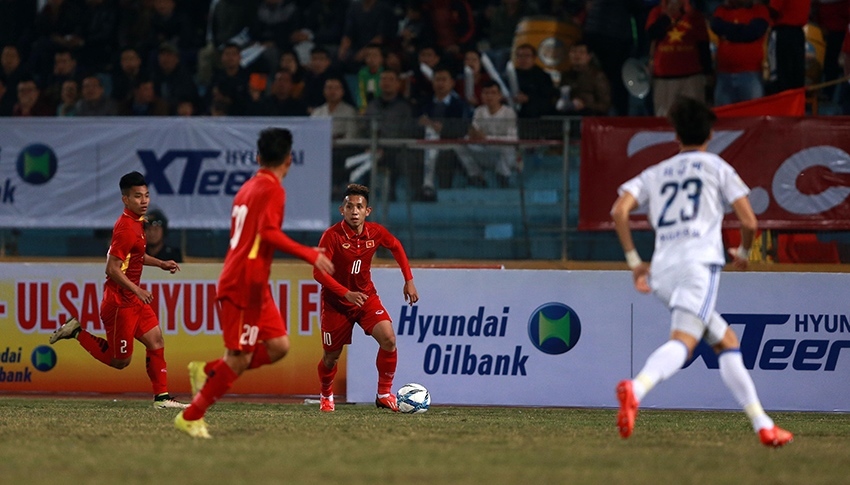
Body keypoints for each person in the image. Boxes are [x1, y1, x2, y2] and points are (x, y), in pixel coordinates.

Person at [610, 97, 793, 448]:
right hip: (698, 266)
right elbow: (749, 221)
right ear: (710, 133)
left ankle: (763, 425)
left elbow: (619, 211)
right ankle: (637, 387)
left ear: (675, 134)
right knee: (684, 344)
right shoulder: (716, 167)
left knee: (726, 342)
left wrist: (635, 263)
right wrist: (741, 251)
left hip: (663, 268)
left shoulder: (656, 172)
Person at [175, 128, 335, 438]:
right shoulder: (274, 190)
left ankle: (207, 370)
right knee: (240, 357)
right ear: (289, 160)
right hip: (244, 283)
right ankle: (191, 416)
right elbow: (267, 233)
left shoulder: (247, 187)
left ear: (258, 157)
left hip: (255, 282)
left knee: (278, 346)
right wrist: (309, 254)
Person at [49, 171, 186, 410]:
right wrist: (138, 289)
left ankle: (162, 399)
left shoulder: (137, 223)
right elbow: (111, 269)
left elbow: (136, 255)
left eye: (146, 195)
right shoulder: (125, 228)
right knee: (120, 361)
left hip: (132, 299)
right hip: (119, 303)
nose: (144, 201)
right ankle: (76, 331)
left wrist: (161, 263)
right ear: (125, 199)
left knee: (156, 340)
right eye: (137, 196)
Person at [313, 183, 419, 412]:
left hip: (365, 298)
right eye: (349, 206)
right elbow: (318, 273)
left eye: (359, 207)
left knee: (389, 339)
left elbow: (396, 246)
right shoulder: (331, 236)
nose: (354, 211)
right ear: (342, 209)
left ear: (367, 211)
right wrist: (345, 293)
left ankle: (383, 394)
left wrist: (408, 279)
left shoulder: (376, 232)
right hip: (336, 303)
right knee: (331, 357)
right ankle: (326, 394)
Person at [646, 0, 712, 116]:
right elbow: (652, 34)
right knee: (665, 117)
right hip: (664, 77)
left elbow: (703, 46)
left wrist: (708, 72)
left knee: (694, 116)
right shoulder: (657, 13)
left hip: (691, 76)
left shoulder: (694, 16)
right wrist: (668, 16)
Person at [456, 80, 518, 188]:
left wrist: (486, 138)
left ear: (500, 95)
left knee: (508, 147)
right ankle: (477, 176)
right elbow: (475, 132)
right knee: (459, 145)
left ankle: (503, 176)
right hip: (485, 150)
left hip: (502, 152)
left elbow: (512, 139)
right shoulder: (479, 111)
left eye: (493, 93)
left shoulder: (509, 112)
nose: (489, 96)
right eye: (486, 93)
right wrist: (472, 135)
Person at [710, 0, 772, 106]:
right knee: (724, 118)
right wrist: (742, 32)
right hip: (724, 74)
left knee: (752, 116)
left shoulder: (760, 10)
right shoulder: (722, 10)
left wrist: (728, 33)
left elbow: (753, 32)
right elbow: (716, 26)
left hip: (751, 73)